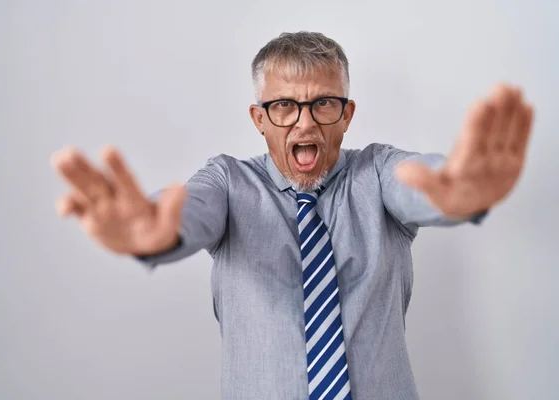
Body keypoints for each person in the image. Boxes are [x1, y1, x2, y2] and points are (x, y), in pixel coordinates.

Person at [51, 31, 534, 400]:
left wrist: (460, 195)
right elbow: (188, 211)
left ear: (346, 115)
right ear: (259, 118)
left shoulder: (377, 170)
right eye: (284, 105)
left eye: (324, 103)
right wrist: (151, 235)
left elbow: (423, 186)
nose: (305, 122)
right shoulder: (228, 181)